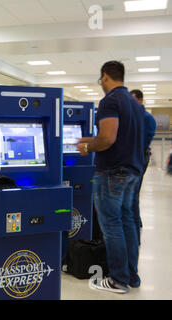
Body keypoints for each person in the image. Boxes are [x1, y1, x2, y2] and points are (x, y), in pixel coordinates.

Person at [77, 61, 145, 294]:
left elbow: (107, 138)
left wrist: (87, 148)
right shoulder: (135, 105)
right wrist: (90, 139)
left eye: (101, 80)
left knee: (112, 226)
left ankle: (117, 279)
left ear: (105, 77)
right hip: (132, 172)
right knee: (127, 224)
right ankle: (131, 276)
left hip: (112, 173)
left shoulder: (110, 101)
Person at [130, 89, 157, 245]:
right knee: (132, 195)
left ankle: (134, 229)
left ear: (140, 100)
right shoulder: (140, 117)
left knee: (132, 194)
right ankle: (136, 222)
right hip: (136, 158)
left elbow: (141, 142)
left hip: (138, 159)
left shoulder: (145, 118)